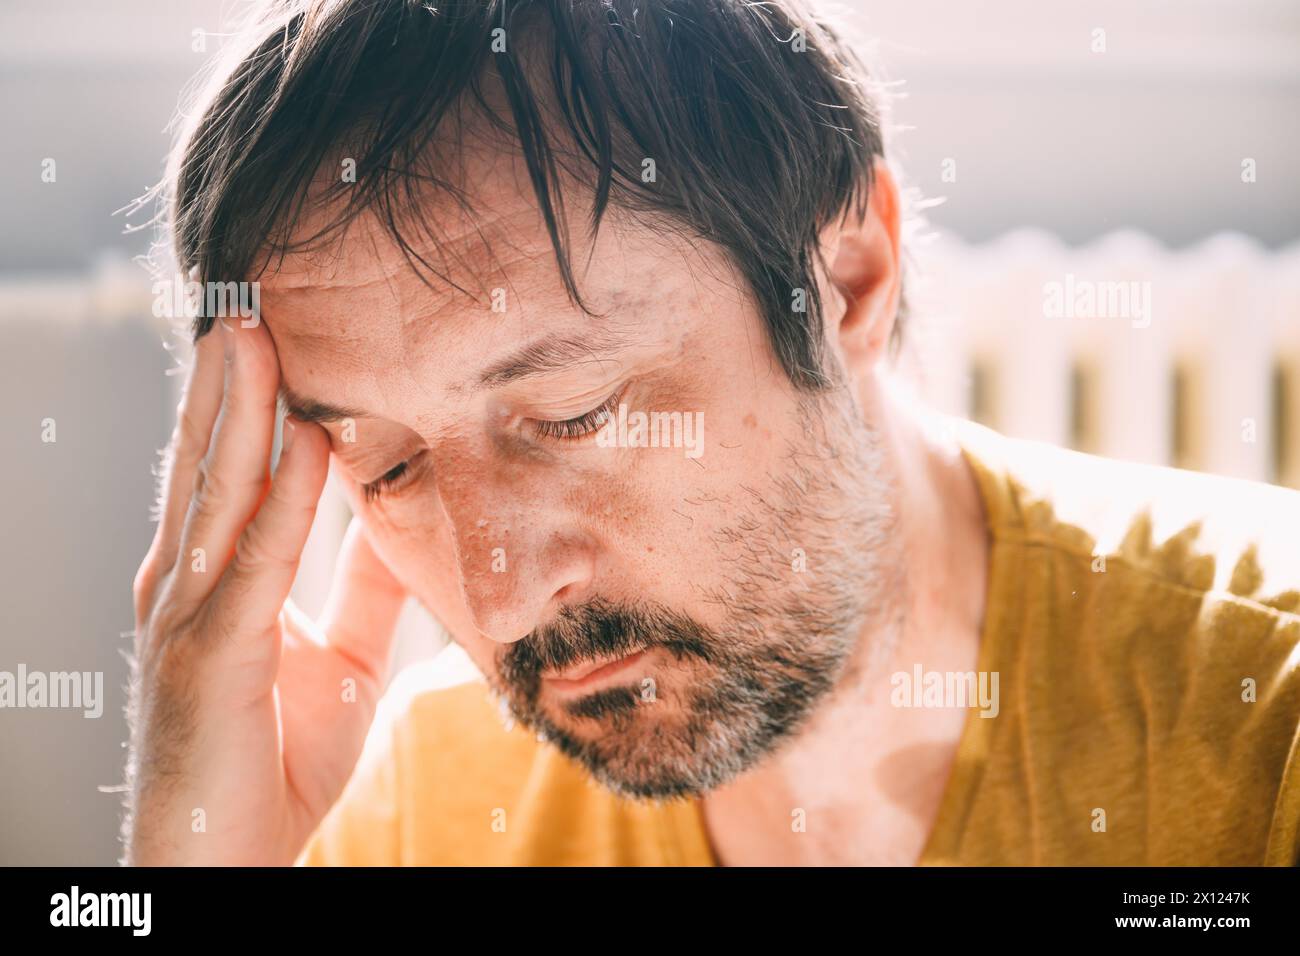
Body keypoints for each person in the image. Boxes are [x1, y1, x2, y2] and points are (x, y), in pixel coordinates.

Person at [123, 0, 1300, 866]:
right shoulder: (425, 803)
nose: (503, 592)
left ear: (844, 275)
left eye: (574, 411)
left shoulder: (1261, 719)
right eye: (388, 465)